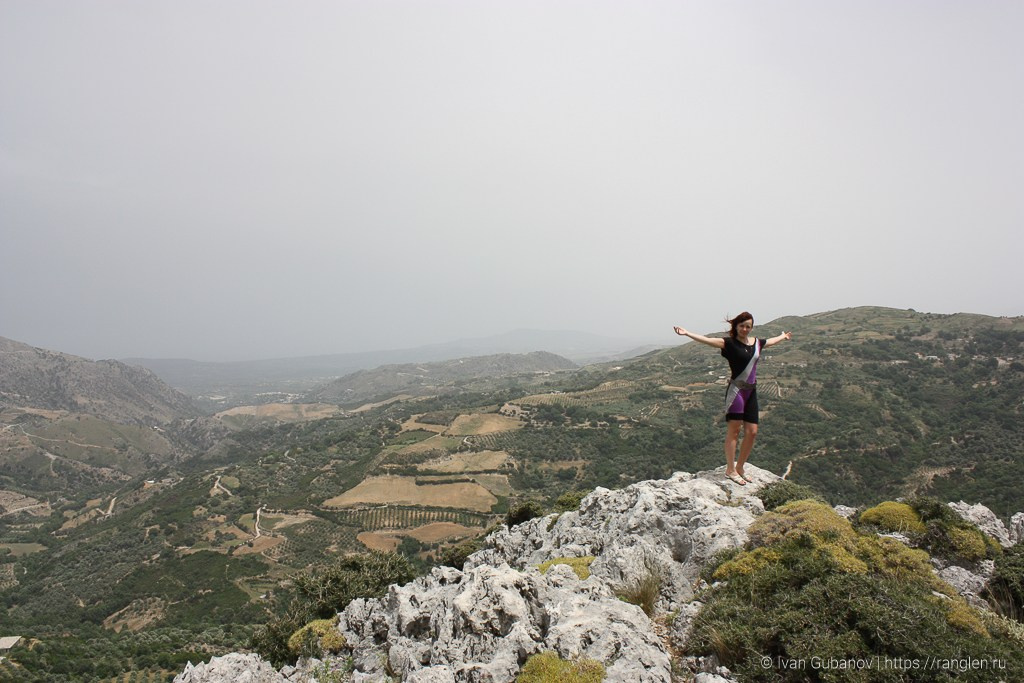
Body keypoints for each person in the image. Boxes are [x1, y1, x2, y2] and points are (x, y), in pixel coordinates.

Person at [673, 312, 792, 486]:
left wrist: (783, 336)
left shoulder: (757, 343)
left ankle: (741, 467)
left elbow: (772, 340)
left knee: (752, 432)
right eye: (742, 325)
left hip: (751, 392)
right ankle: (730, 469)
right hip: (736, 392)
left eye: (748, 326)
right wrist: (687, 333)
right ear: (736, 326)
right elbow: (707, 340)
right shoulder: (728, 344)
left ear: (751, 328)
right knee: (734, 431)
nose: (745, 329)